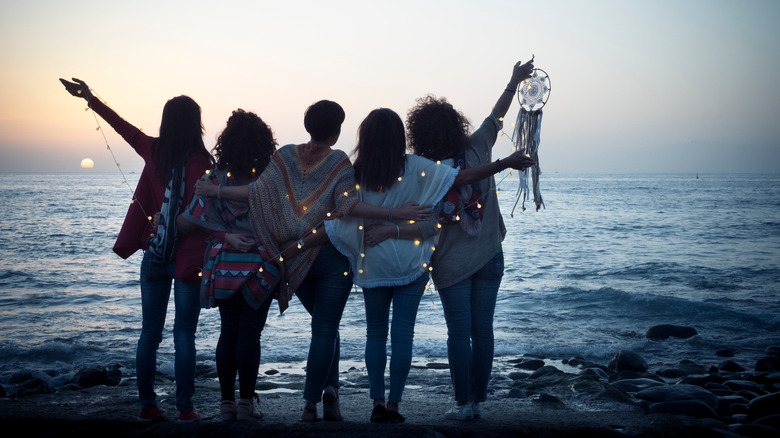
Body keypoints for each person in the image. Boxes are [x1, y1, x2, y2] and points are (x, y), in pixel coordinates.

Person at [195, 100, 430, 422]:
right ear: (337, 130)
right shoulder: (339, 163)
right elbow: (347, 208)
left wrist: (217, 192)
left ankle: (313, 406)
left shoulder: (284, 157)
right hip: (332, 257)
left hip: (295, 258)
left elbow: (256, 192)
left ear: (308, 125)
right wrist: (395, 213)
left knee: (321, 329)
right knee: (326, 329)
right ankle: (324, 397)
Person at [316, 108, 535, 424]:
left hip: (374, 262)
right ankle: (394, 406)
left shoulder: (356, 173)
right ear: (399, 138)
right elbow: (461, 178)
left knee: (376, 334)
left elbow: (342, 212)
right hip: (412, 263)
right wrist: (505, 163)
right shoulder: (417, 167)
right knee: (403, 335)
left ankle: (377, 402)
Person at [60, 78, 214, 422]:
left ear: (166, 121)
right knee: (184, 334)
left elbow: (123, 128)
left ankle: (147, 406)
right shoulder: (203, 162)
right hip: (188, 257)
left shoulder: (154, 149)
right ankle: (186, 409)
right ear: (196, 123)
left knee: (150, 333)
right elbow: (206, 213)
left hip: (154, 253)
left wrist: (91, 98)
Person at [405, 58, 535, 421]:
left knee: (459, 334)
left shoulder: (421, 168)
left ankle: (464, 405)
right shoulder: (477, 147)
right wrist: (513, 80)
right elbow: (497, 116)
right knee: (483, 330)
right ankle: (476, 400)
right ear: (455, 125)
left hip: (449, 264)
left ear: (420, 132)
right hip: (490, 254)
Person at [177, 109, 277, 422]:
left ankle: (225, 405)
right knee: (251, 334)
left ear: (227, 142)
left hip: (223, 266)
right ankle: (246, 405)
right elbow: (282, 218)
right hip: (261, 266)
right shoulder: (269, 178)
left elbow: (192, 221)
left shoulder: (214, 179)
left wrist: (224, 235)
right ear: (264, 143)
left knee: (228, 331)